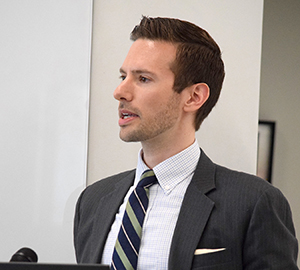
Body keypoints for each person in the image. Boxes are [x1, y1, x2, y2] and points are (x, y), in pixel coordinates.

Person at [74, 16, 298, 270]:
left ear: (193, 97)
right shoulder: (92, 202)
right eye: (123, 76)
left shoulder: (255, 202)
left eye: (143, 79)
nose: (120, 92)